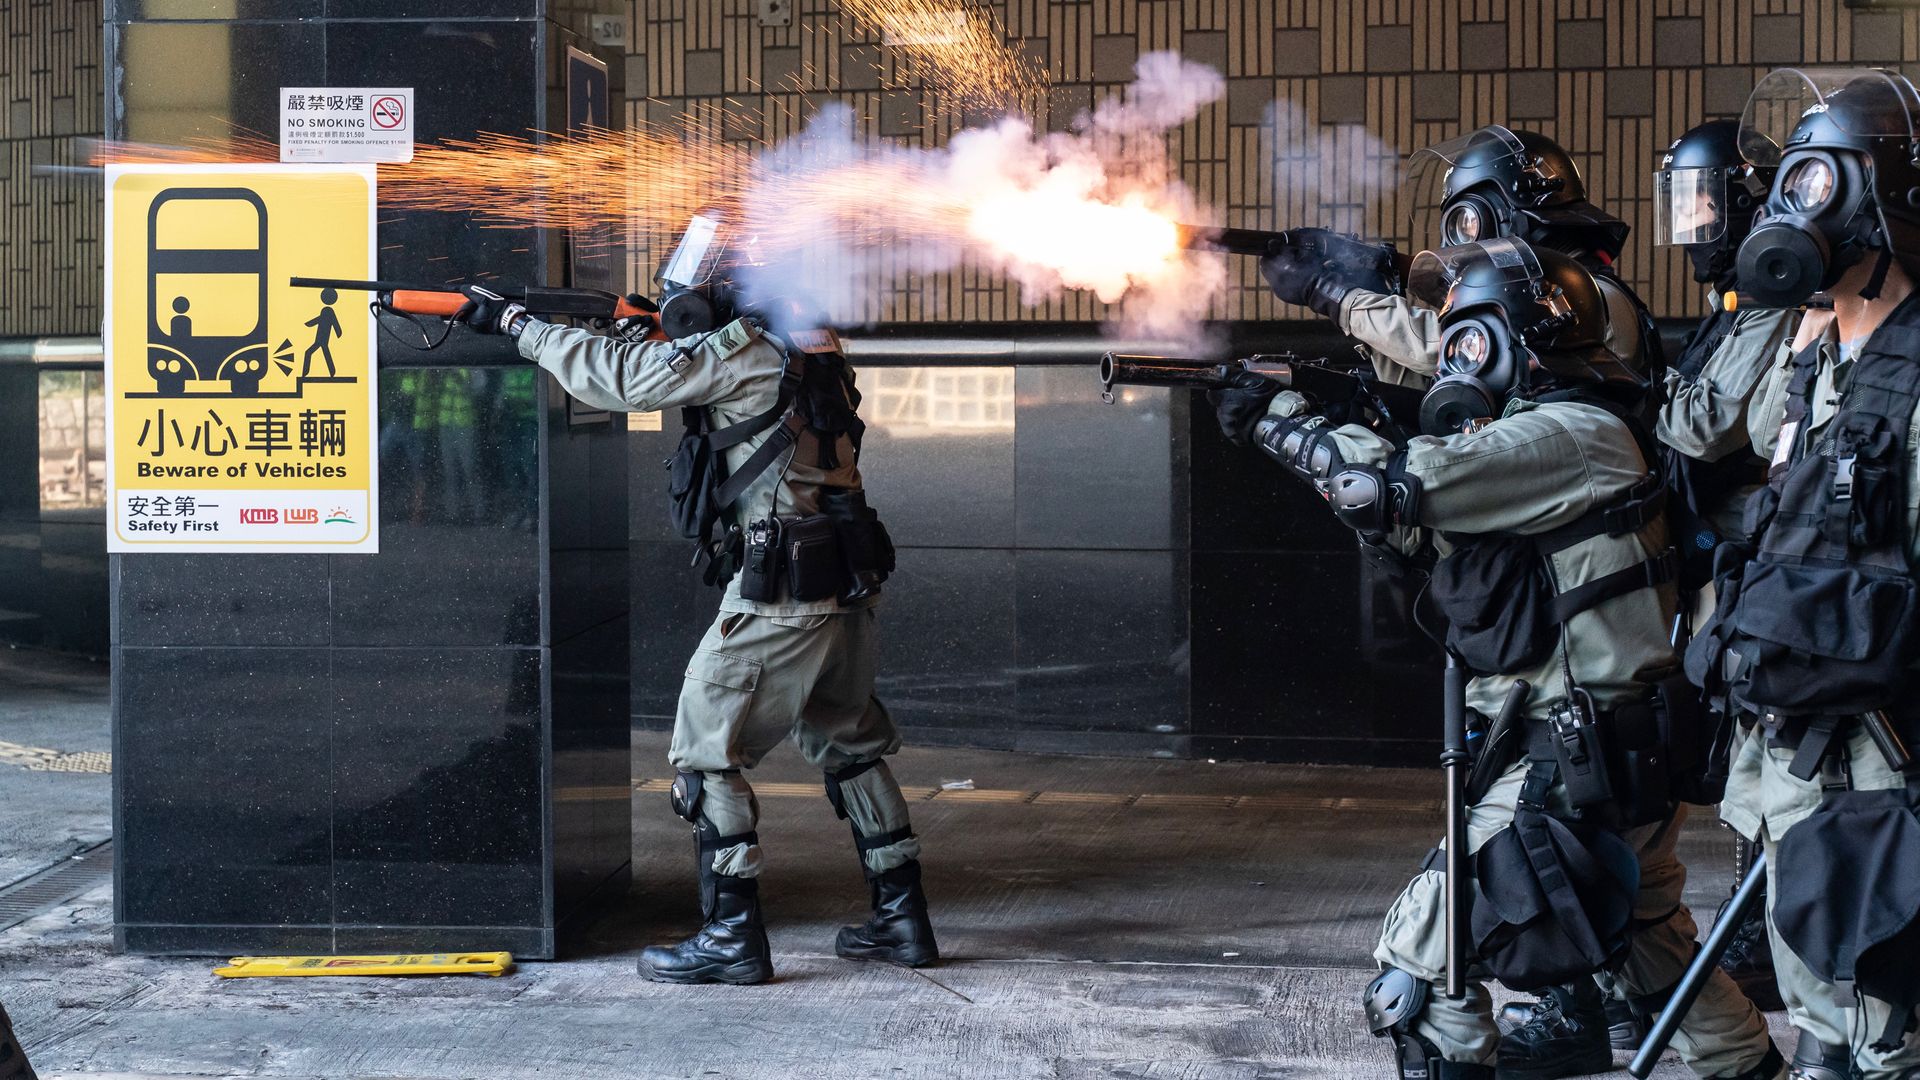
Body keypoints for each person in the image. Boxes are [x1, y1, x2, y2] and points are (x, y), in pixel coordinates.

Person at [1213, 237, 1784, 1080]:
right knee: (1649, 951)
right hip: (1609, 751)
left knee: (1422, 966)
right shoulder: (1567, 433)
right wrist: (1330, 427)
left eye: (1462, 337)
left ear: (1505, 340)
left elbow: (1387, 487)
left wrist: (1283, 420)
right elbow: (1418, 530)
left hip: (1569, 757)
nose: (1452, 358)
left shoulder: (1566, 434)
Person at [1259, 123, 1677, 1076]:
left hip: (1570, 723)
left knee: (1422, 975)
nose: (1456, 326)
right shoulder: (1563, 351)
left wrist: (1341, 303)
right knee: (1652, 957)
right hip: (1593, 709)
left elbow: (1407, 464)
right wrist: (1384, 274)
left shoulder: (1577, 335)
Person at [457, 211, 934, 985]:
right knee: (852, 746)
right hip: (842, 588)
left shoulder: (745, 351)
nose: (687, 285)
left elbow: (622, 382)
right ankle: (903, 921)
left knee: (702, 754)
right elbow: (680, 366)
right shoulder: (812, 339)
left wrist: (520, 326)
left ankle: (732, 938)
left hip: (778, 594)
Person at [1688, 67, 1920, 1080]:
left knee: (1878, 1034)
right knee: (1824, 1022)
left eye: (1823, 189)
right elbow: (1699, 429)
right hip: (1792, 755)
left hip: (1881, 760)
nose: (1797, 215)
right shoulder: (1814, 361)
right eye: (1793, 189)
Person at [1651, 118, 1799, 1017]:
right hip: (1730, 557)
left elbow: (1705, 425)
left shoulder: (1775, 296)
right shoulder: (1741, 299)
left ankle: (1759, 939)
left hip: (1759, 558)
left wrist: (1646, 399)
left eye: (1706, 201)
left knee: (1761, 752)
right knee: (1743, 751)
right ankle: (1759, 933)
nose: (1695, 221)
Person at [1262, 125, 1662, 402]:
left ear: (1511, 215)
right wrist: (1377, 286)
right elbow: (1433, 385)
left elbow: (1444, 347)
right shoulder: (1564, 294)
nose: (1465, 238)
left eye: (1468, 220)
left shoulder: (1583, 297)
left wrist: (1335, 294)